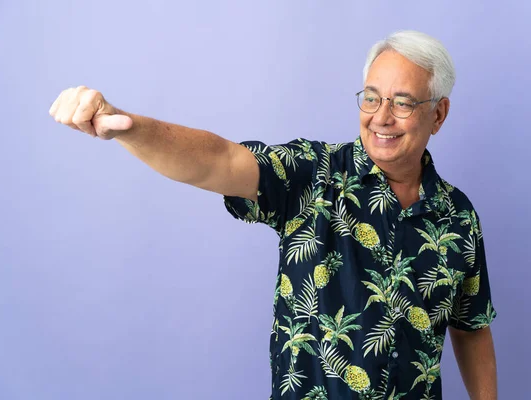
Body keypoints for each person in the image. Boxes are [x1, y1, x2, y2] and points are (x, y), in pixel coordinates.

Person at [49, 30, 497, 400]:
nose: (380, 117)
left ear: (438, 114)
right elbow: (220, 161)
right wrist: (130, 125)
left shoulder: (458, 216)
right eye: (371, 98)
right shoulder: (312, 176)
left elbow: (471, 327)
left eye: (402, 102)